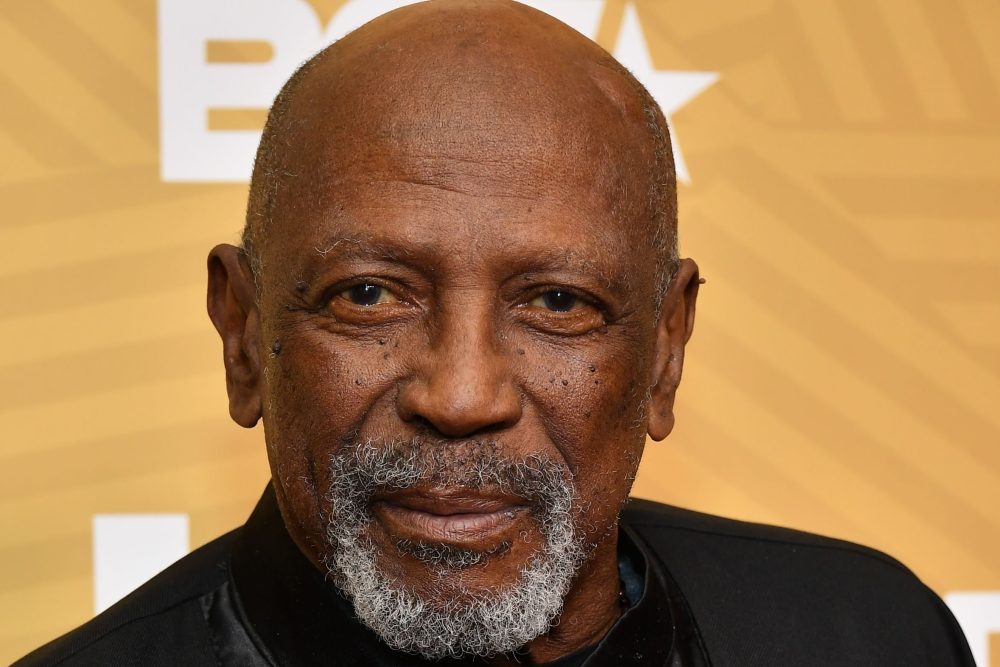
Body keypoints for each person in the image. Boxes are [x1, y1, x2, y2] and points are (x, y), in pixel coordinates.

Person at [16, 1, 974, 665]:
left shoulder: (868, 638)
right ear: (241, 334)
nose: (463, 395)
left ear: (666, 352)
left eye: (558, 303)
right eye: (369, 296)